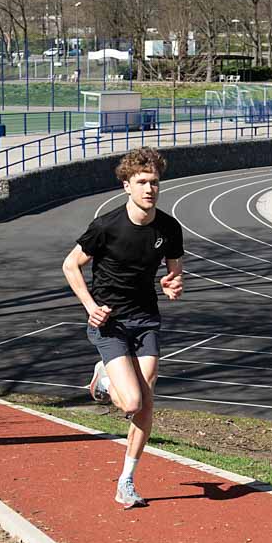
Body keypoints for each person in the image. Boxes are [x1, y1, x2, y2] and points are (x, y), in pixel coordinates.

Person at [62, 148, 184, 509]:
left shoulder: (169, 228)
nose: (150, 189)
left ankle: (126, 481)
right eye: (142, 183)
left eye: (155, 183)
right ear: (126, 185)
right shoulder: (106, 226)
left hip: (146, 319)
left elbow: (175, 273)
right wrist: (90, 307)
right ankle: (104, 379)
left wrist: (171, 284)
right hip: (111, 323)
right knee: (131, 401)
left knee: (146, 402)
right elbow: (71, 265)